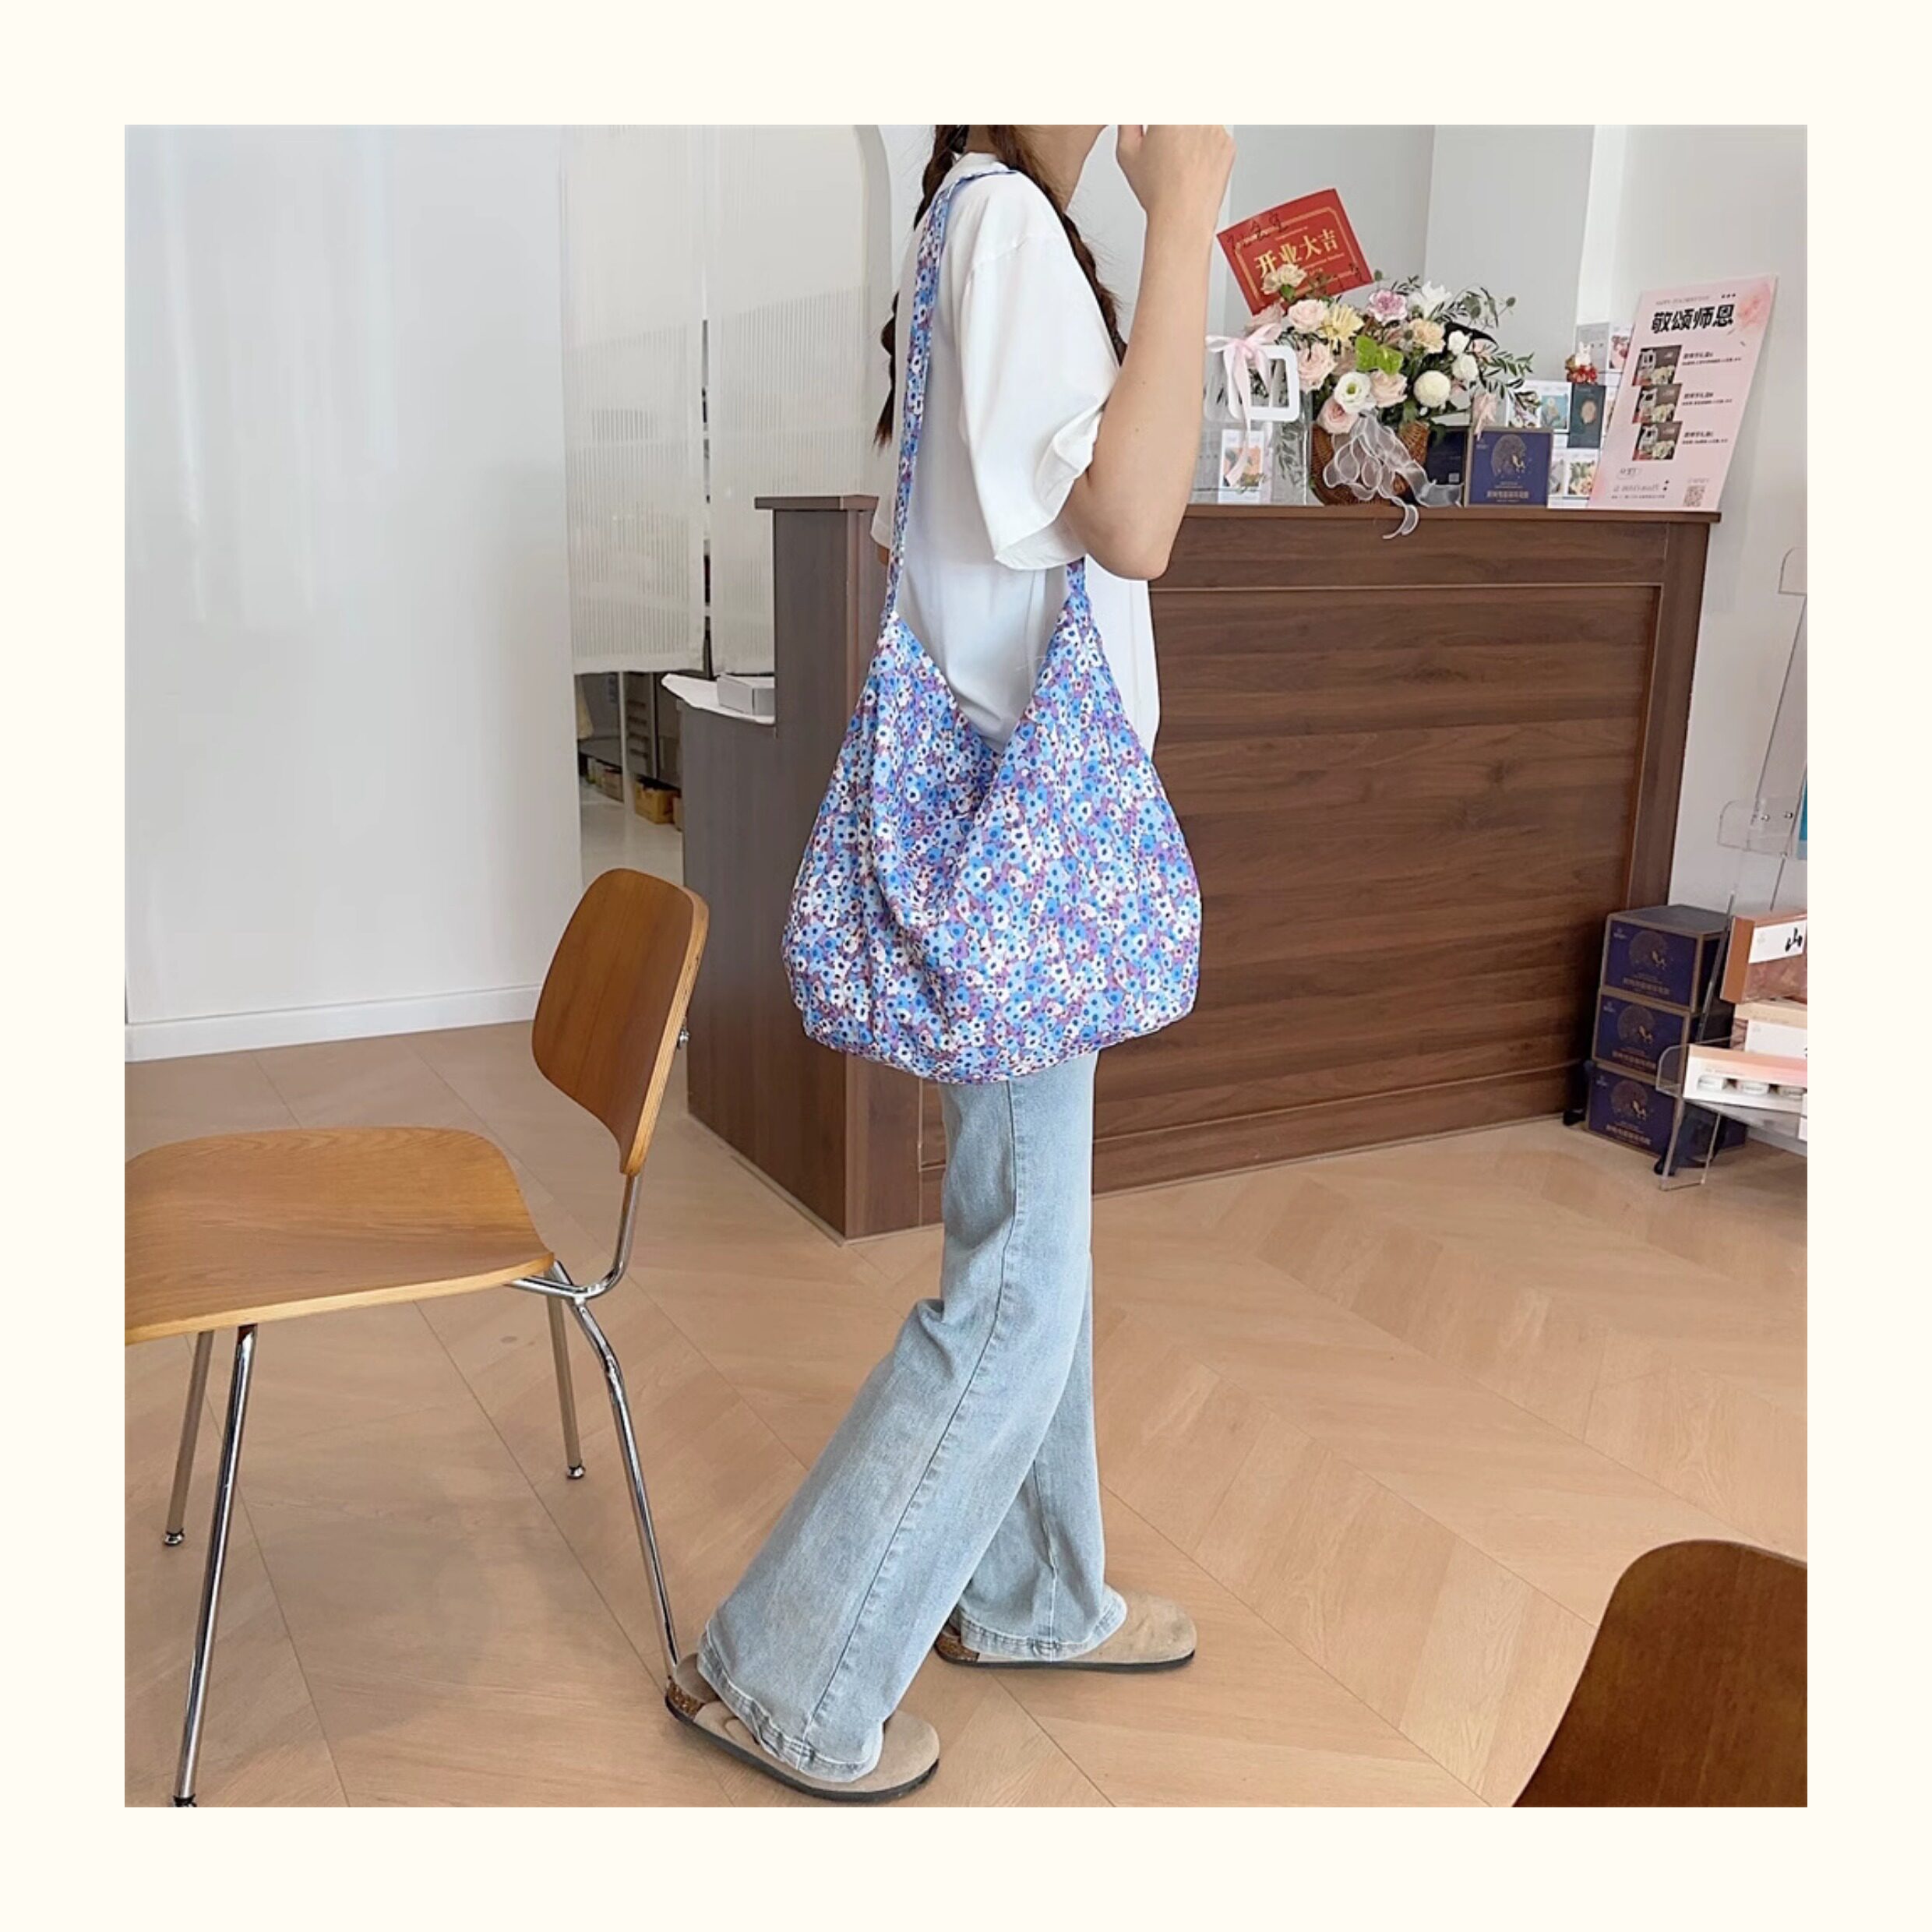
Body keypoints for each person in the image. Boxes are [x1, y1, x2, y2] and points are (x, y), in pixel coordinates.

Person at [664, 123, 1235, 1802]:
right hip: (1025, 842)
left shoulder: (979, 226)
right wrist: (1190, 212)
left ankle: (1038, 1594)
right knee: (1017, 1289)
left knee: (1032, 1255)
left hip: (1016, 831)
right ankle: (783, 1670)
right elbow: (1136, 522)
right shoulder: (1007, 230)